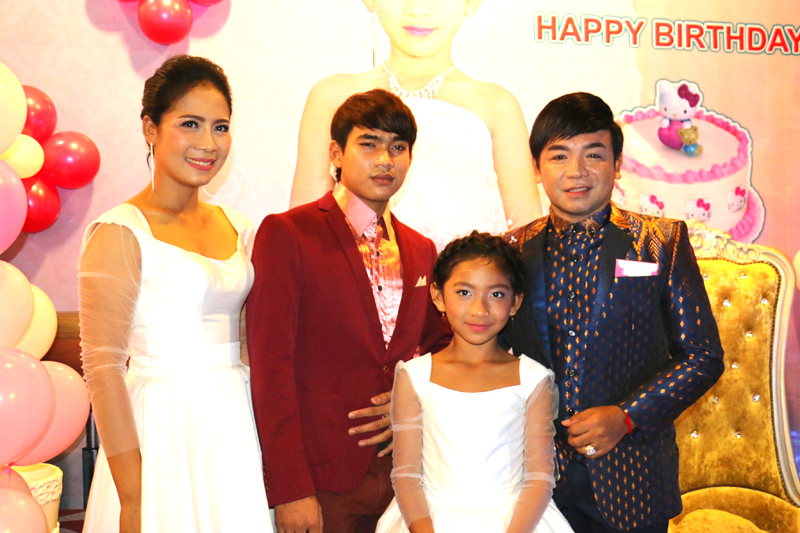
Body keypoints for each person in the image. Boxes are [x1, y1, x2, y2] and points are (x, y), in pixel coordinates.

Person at [503, 92, 724, 532]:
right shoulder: (511, 251)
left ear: (617, 164)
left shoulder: (661, 241)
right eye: (559, 155)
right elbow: (487, 349)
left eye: (594, 154)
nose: (576, 171)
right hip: (532, 480)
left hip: (633, 477)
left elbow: (702, 355)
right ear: (536, 169)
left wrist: (626, 416)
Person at [79, 55, 272, 533]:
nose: (208, 143)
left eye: (220, 127)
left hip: (235, 424)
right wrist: (133, 497)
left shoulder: (237, 227)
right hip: (162, 429)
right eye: (190, 124)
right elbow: (103, 370)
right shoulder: (120, 230)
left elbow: (250, 345)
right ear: (150, 128)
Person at [247, 88, 452, 533]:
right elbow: (270, 368)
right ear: (337, 154)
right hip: (322, 480)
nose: (385, 160)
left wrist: (412, 403)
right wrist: (289, 489)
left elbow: (443, 350)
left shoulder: (421, 249)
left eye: (398, 147)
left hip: (405, 477)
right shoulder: (288, 234)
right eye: (369, 144)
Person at [289, 0, 542, 249]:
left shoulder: (497, 105)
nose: (419, 10)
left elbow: (529, 237)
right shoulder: (331, 96)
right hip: (357, 272)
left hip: (469, 275)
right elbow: (304, 231)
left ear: (471, 3)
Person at [375, 232, 575, 533]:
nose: (480, 309)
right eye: (464, 292)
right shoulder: (414, 376)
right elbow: (406, 475)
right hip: (428, 520)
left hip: (517, 522)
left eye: (496, 295)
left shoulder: (533, 379)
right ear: (438, 296)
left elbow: (539, 477)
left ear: (516, 302)